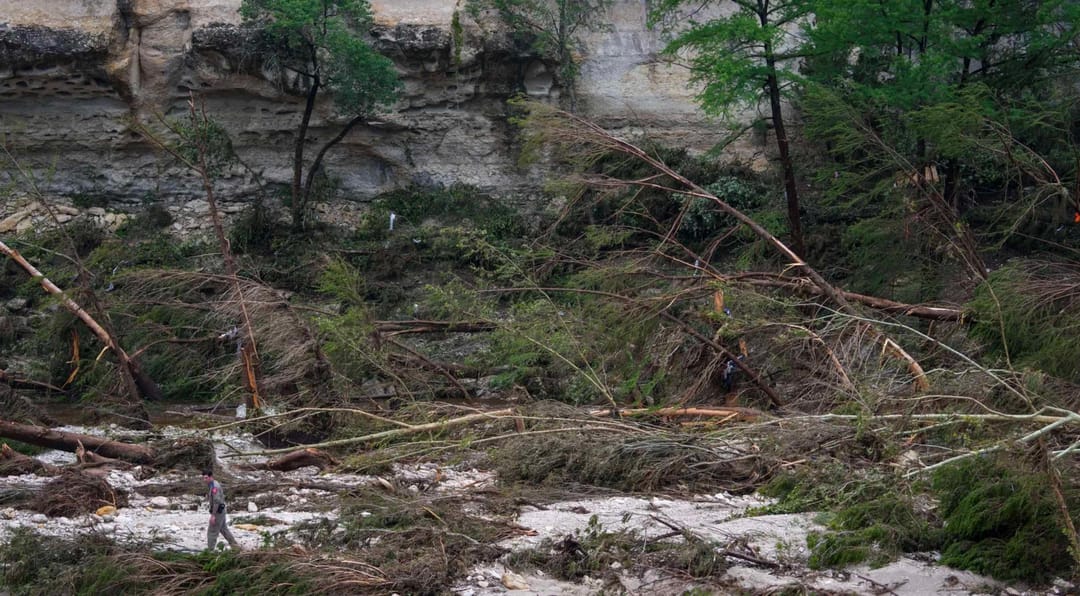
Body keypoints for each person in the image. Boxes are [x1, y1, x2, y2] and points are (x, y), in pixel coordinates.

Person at [203, 469, 240, 551]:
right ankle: (235, 546)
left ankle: (210, 551)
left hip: (218, 511)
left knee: (212, 531)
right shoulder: (212, 484)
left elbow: (216, 502)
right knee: (223, 529)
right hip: (221, 510)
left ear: (210, 477)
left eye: (206, 478)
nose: (204, 480)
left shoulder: (214, 487)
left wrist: (213, 515)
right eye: (204, 478)